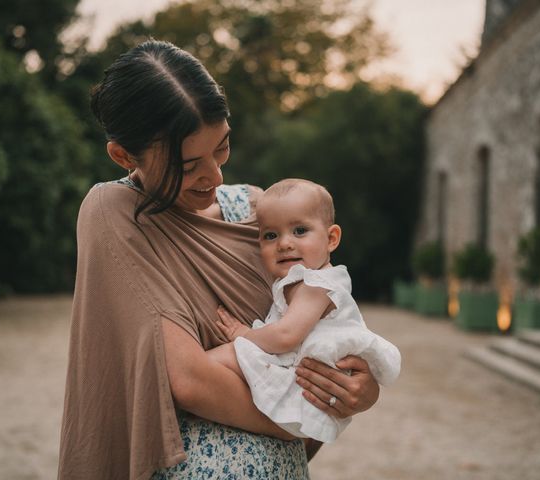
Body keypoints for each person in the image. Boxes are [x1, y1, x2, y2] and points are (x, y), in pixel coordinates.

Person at [59, 39, 380, 480]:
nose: (215, 175)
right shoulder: (116, 212)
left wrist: (354, 390)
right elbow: (190, 380)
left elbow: (318, 339)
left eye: (222, 147)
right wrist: (307, 416)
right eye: (188, 165)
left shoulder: (258, 213)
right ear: (123, 154)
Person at [208, 179, 401, 443]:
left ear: (331, 238)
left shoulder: (317, 284)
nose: (284, 243)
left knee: (221, 358)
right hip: (303, 376)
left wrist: (242, 334)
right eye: (270, 235)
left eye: (299, 230)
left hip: (307, 384)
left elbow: (287, 336)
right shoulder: (300, 280)